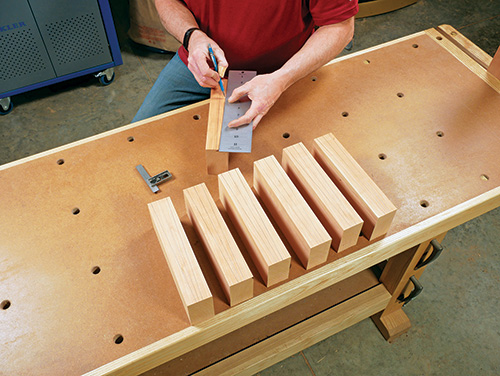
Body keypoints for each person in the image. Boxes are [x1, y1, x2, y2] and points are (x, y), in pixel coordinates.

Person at [132, 0, 358, 128]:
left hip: (284, 70)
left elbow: (340, 27)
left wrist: (281, 78)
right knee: (137, 139)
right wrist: (192, 37)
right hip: (199, 64)